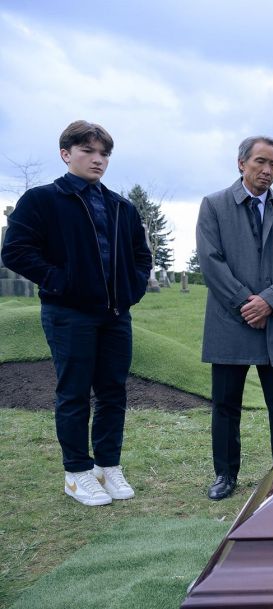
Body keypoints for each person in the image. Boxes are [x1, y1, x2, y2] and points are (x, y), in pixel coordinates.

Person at [1, 120, 152, 506]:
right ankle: (77, 473)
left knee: (113, 392)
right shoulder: (42, 200)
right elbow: (15, 250)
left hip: (115, 315)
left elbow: (141, 256)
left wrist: (132, 290)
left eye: (104, 153)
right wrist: (61, 282)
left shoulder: (121, 207)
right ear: (66, 154)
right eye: (88, 151)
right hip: (68, 314)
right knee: (74, 393)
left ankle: (107, 465)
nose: (97, 159)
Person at [196, 135, 273, 500]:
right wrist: (246, 303)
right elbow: (210, 260)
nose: (267, 170)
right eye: (260, 161)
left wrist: (269, 302)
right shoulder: (214, 205)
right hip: (230, 322)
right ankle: (225, 474)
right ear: (241, 163)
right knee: (226, 405)